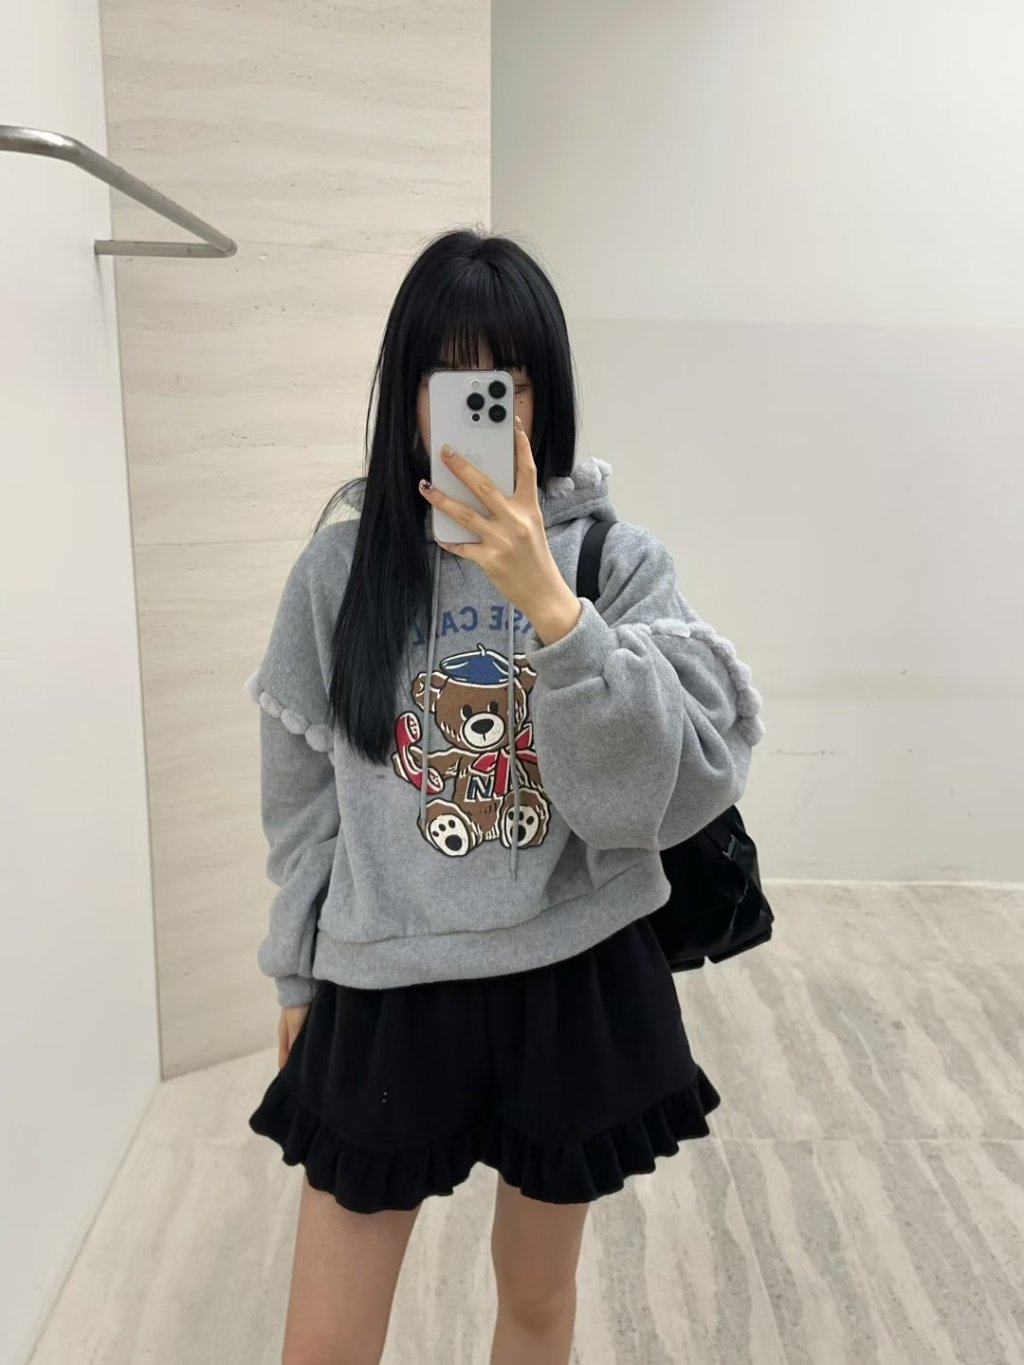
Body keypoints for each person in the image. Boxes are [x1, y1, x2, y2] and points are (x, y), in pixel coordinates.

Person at [245, 227, 765, 1365]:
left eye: (512, 386)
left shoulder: (613, 564)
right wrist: (296, 969)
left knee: (535, 1303)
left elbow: (656, 792)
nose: (488, 414)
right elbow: (303, 803)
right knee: (323, 1344)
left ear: (547, 396)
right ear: (409, 399)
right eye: (457, 385)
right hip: (388, 979)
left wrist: (554, 611)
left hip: (568, 974)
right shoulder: (337, 574)